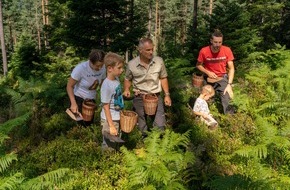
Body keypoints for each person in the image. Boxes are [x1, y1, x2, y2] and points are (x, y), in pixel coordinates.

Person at [123, 37, 172, 138]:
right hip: (139, 97)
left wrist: (167, 95)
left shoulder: (159, 61)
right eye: (148, 50)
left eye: (152, 49)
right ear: (140, 50)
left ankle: (157, 145)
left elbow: (163, 78)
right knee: (142, 127)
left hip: (156, 97)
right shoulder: (132, 64)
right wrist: (127, 89)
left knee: (160, 126)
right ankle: (144, 147)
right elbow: (127, 79)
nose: (151, 52)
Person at [196, 29, 235, 114]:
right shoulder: (204, 51)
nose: (218, 45)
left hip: (222, 78)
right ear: (211, 41)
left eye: (220, 42)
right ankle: (206, 119)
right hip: (208, 79)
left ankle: (231, 120)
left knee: (227, 97)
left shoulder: (227, 50)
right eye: (215, 42)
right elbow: (198, 65)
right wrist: (208, 72)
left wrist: (229, 84)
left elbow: (231, 68)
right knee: (205, 98)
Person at [66, 49, 106, 126]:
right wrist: (73, 103)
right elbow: (69, 86)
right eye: (97, 66)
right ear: (90, 62)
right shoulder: (80, 69)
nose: (100, 68)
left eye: (102, 65)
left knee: (89, 124)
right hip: (78, 99)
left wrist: (104, 99)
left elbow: (102, 85)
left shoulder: (103, 68)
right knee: (79, 124)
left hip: (91, 100)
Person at [100, 52, 125, 150]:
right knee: (109, 145)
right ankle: (107, 162)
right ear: (110, 68)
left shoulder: (116, 79)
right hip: (109, 120)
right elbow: (106, 107)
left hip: (117, 117)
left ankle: (114, 160)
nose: (122, 70)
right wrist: (111, 125)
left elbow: (115, 97)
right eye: (119, 68)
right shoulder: (106, 85)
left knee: (116, 141)